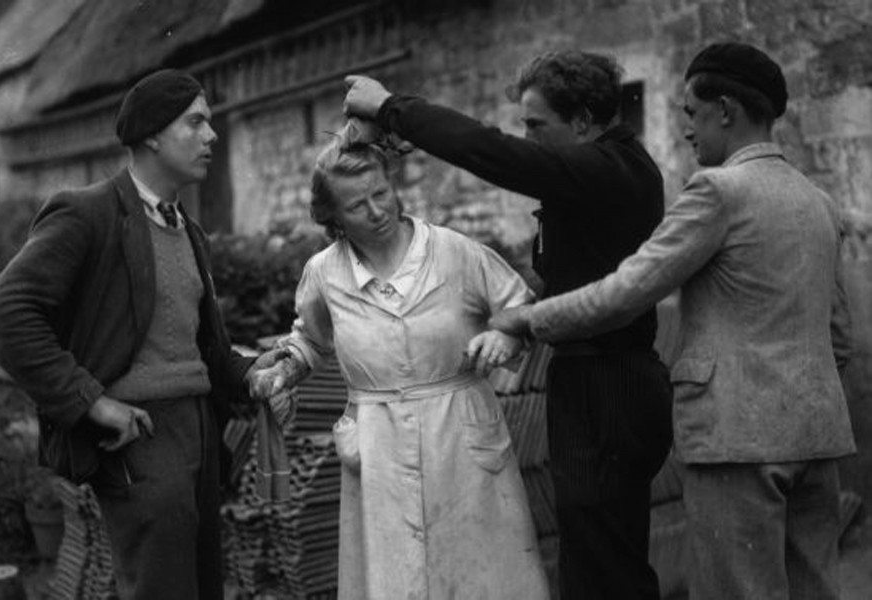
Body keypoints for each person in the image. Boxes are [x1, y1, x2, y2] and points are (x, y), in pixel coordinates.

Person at [491, 42, 856, 600]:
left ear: (726, 111)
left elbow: (627, 291)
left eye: (690, 112)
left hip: (736, 439)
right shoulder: (817, 201)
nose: (686, 129)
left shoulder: (716, 191)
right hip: (818, 434)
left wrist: (524, 319)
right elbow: (838, 335)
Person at [344, 50, 672, 599]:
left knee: (603, 570)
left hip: (607, 388)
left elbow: (490, 152)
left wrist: (390, 107)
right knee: (601, 558)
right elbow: (574, 275)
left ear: (585, 122)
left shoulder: (608, 171)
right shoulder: (603, 174)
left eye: (537, 126)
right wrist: (515, 327)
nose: (529, 139)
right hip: (602, 383)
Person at [0, 69, 281, 600]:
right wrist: (91, 402)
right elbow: (4, 317)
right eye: (196, 122)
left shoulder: (186, 229)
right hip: (140, 439)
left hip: (201, 431)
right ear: (151, 135)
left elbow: (202, 351)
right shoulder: (89, 213)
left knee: (205, 588)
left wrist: (253, 371)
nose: (212, 136)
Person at [249, 122, 550, 600]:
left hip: (461, 437)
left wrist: (503, 337)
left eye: (381, 193)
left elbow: (521, 312)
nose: (376, 211)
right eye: (356, 205)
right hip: (379, 445)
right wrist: (283, 371)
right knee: (396, 579)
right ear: (333, 218)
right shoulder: (324, 274)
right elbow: (309, 341)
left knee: (484, 577)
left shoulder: (454, 253)